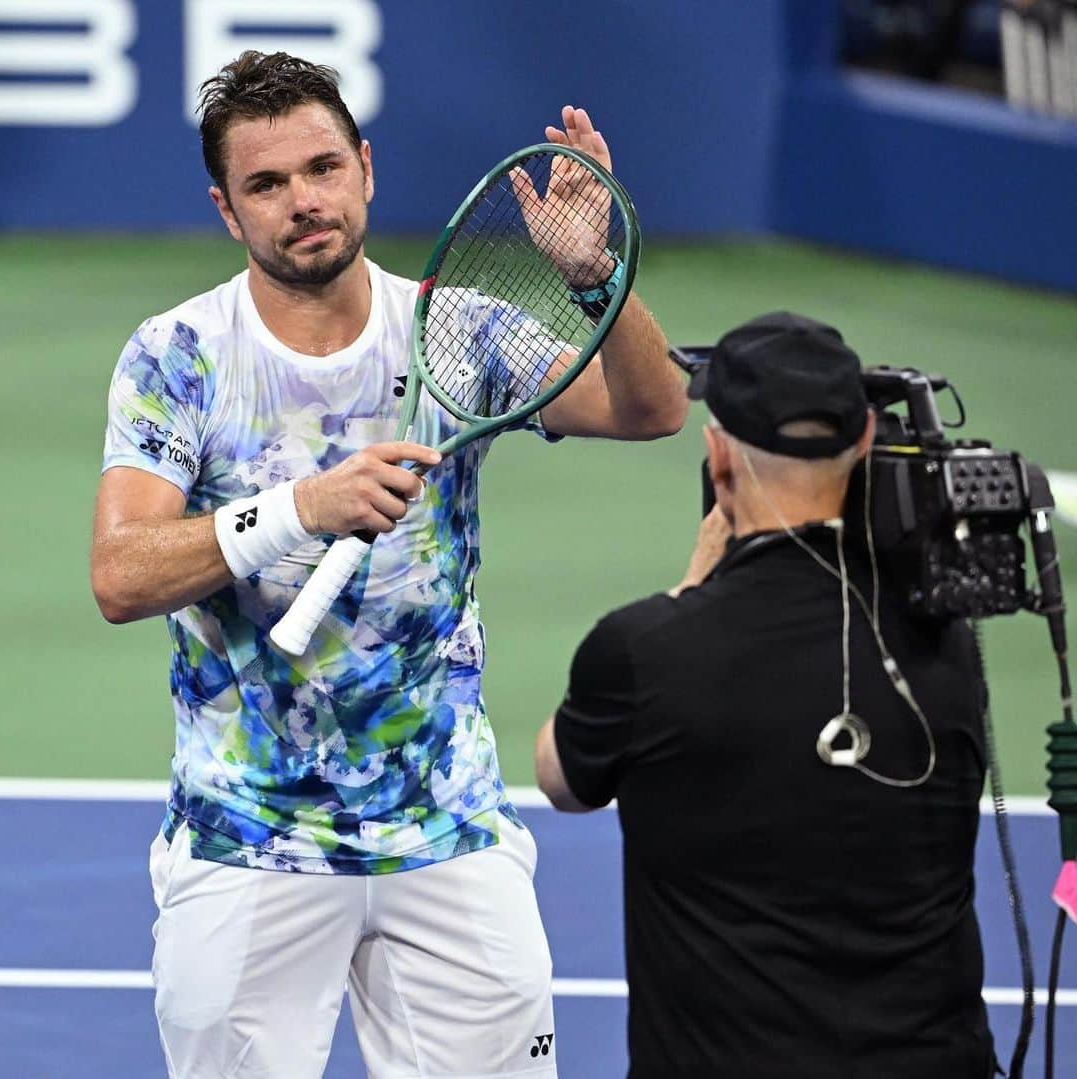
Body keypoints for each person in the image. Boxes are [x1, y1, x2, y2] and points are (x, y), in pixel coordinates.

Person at [90, 50, 686, 1079]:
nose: (302, 201)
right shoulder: (178, 356)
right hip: (248, 842)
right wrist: (297, 508)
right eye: (266, 185)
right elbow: (121, 575)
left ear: (365, 167)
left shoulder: (455, 330)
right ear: (228, 212)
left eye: (322, 168)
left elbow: (653, 408)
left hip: (446, 829)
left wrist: (597, 275)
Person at [535, 311, 996, 1078]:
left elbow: (561, 776)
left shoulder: (646, 650)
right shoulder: (944, 647)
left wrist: (687, 590)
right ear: (867, 440)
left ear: (718, 459)